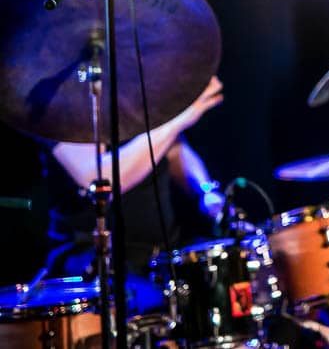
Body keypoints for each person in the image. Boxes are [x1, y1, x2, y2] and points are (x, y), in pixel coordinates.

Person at [44, 75, 225, 314]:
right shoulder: (62, 97)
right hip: (93, 258)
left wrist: (206, 193)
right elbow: (98, 179)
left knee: (220, 282)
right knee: (152, 303)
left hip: (159, 253)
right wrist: (179, 119)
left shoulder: (136, 85)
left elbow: (173, 149)